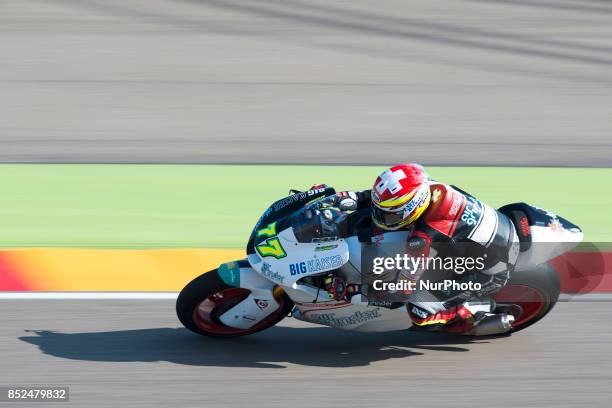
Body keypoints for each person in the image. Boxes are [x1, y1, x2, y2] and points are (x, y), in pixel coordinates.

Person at [318, 163, 521, 334]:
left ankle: (471, 311)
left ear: (414, 206)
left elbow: (401, 293)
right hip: (492, 235)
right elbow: (388, 198)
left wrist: (356, 291)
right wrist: (351, 197)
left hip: (491, 270)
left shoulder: (424, 237)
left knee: (419, 311)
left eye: (389, 215)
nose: (380, 219)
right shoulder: (426, 186)